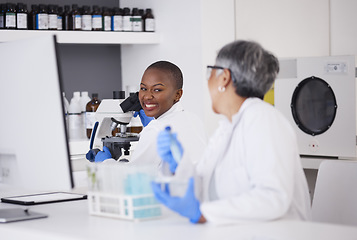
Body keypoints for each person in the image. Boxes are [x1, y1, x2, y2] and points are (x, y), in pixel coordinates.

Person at [152, 40, 312, 225]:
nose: (207, 80)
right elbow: (205, 187)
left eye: (210, 72)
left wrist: (203, 213)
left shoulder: (263, 120)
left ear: (224, 77)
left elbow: (273, 198)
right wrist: (179, 166)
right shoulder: (227, 127)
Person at [94, 61, 207, 176]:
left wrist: (104, 163)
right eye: (143, 88)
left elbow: (131, 178)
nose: (147, 96)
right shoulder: (194, 119)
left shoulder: (155, 130)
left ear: (177, 94)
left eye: (157, 90)